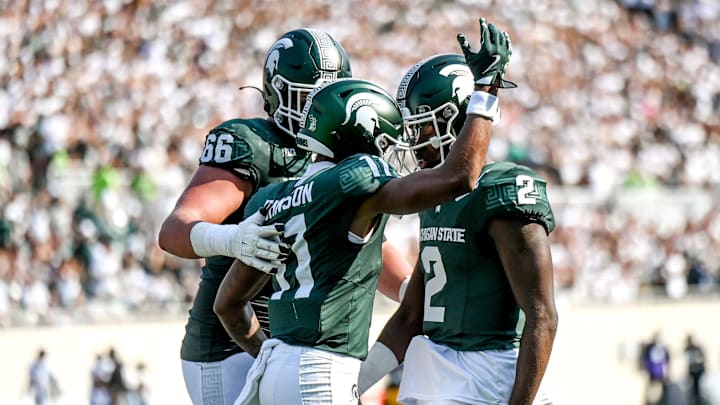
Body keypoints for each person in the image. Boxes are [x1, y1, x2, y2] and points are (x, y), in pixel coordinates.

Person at [212, 17, 512, 405]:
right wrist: (485, 92)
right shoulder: (354, 179)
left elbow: (228, 304)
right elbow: (460, 177)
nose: (389, 153)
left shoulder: (277, 196)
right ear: (358, 134)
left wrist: (276, 356)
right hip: (320, 369)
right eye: (384, 140)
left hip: (273, 367)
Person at [157, 28, 411, 405]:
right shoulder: (253, 144)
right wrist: (230, 240)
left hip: (292, 346)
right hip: (228, 346)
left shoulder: (339, 155)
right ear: (276, 93)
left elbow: (362, 243)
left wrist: (413, 291)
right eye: (308, 98)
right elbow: (175, 229)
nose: (318, 110)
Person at [357, 51, 558, 405]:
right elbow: (410, 315)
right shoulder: (435, 199)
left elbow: (542, 317)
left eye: (421, 125)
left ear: (455, 118)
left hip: (490, 377)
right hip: (437, 371)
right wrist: (352, 387)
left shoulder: (502, 188)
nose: (412, 138)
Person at [684, 334, 706, 405]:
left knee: (697, 389)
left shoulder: (697, 348)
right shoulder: (688, 348)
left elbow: (701, 359)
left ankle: (697, 401)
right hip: (692, 371)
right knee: (692, 388)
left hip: (697, 371)